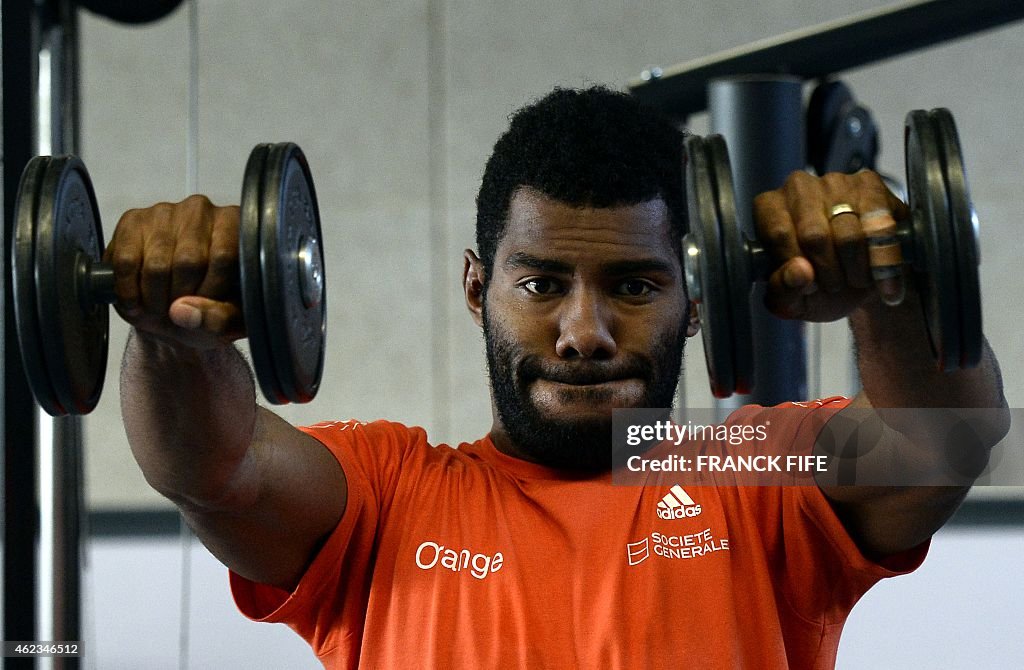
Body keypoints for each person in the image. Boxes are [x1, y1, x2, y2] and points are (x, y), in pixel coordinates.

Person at [112, 86, 1007, 668]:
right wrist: (170, 336)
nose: (583, 333)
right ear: (477, 288)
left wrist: (887, 291)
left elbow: (946, 442)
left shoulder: (753, 481)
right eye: (541, 284)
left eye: (633, 284)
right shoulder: (388, 497)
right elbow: (216, 468)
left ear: (695, 298)